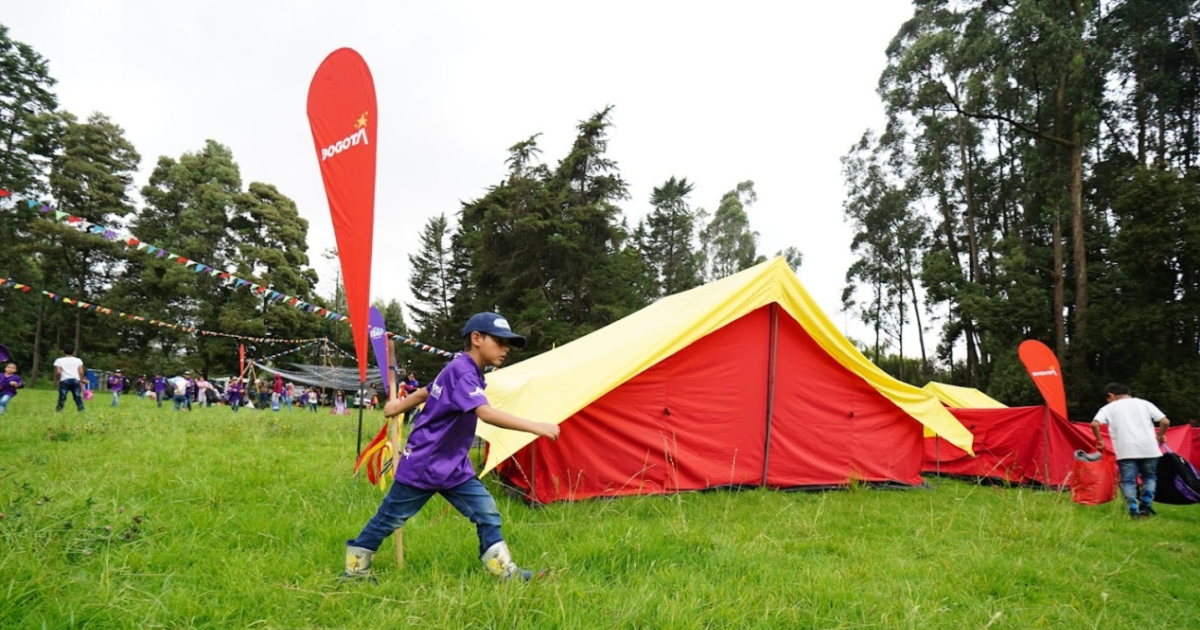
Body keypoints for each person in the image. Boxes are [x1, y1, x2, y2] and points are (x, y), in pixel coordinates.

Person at [343, 312, 560, 581]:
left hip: (454, 466)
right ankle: (354, 571)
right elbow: (486, 413)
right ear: (477, 338)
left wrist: (399, 405)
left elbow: (426, 391)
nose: (506, 349)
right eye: (500, 341)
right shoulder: (463, 371)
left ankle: (506, 573)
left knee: (486, 512)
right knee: (389, 518)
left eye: (508, 344)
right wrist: (536, 426)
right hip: (424, 464)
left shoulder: (464, 369)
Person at [1092, 383, 1171, 519]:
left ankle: (1133, 511)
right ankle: (1145, 508)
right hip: (1149, 449)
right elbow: (1165, 421)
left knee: (1128, 481)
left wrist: (1100, 440)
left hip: (1126, 450)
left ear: (1110, 395)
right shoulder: (1145, 404)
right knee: (1149, 477)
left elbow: (1094, 424)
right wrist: (1159, 435)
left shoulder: (1109, 407)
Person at [53, 345, 86, 412]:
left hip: (64, 380)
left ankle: (59, 409)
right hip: (75, 380)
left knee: (62, 396)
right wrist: (81, 380)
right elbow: (81, 372)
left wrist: (58, 380)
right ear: (74, 352)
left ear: (63, 352)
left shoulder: (59, 360)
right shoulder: (78, 360)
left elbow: (58, 372)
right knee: (77, 396)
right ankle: (81, 409)